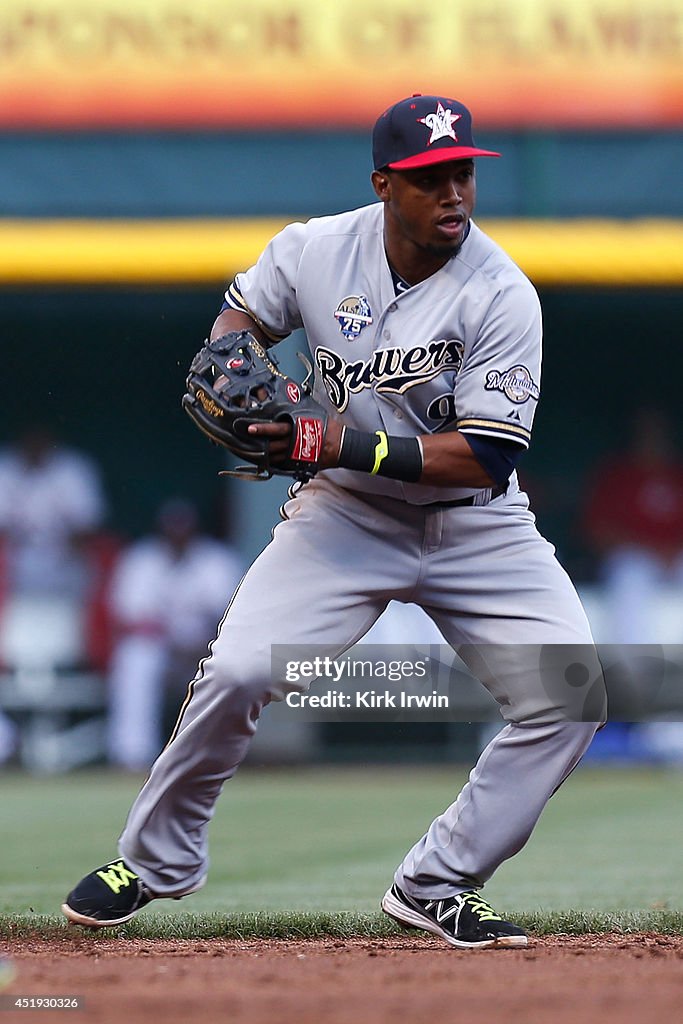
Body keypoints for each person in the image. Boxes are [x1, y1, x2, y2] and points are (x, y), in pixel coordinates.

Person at [61, 93, 604, 949]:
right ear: (386, 183)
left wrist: (329, 438)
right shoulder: (315, 249)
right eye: (430, 179)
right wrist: (233, 353)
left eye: (462, 172)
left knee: (570, 698)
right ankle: (155, 862)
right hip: (344, 518)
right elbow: (238, 316)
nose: (453, 193)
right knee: (237, 671)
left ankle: (437, 882)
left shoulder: (502, 292)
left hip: (475, 524)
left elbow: (486, 456)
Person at [106, 499, 244, 771]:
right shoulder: (142, 559)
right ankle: (133, 754)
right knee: (136, 658)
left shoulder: (216, 560)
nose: (178, 536)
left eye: (184, 529)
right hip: (162, 650)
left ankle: (221, 754)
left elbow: (232, 618)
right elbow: (127, 620)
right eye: (172, 529)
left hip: (206, 649)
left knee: (238, 662)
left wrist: (204, 644)